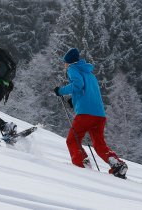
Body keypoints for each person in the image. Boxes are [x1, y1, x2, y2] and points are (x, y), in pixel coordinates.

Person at [54, 48, 128, 178]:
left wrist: (60, 91)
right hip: (99, 115)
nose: (64, 66)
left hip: (85, 114)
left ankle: (81, 166)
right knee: (99, 144)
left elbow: (78, 85)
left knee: (72, 140)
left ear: (69, 62)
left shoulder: (72, 69)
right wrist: (74, 100)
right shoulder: (90, 74)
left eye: (65, 63)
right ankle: (117, 164)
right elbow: (89, 92)